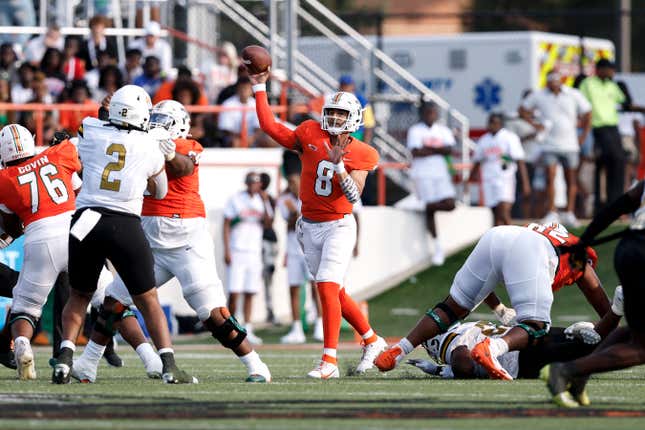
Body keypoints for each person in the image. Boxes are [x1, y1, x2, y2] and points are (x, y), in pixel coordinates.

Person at [71, 100, 271, 383]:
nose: (157, 123)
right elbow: (113, 134)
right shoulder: (139, 141)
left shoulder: (187, 145)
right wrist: (113, 111)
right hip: (150, 241)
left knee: (212, 315)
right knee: (113, 302)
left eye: (164, 119)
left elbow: (182, 168)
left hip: (186, 242)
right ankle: (88, 363)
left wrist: (168, 150)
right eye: (154, 117)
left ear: (180, 125)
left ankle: (256, 365)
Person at [50, 85, 195, 385]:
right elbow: (161, 189)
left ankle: (64, 359)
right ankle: (168, 364)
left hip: (86, 219)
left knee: (79, 295)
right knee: (147, 299)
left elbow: (89, 129)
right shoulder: (148, 144)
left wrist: (108, 113)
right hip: (124, 223)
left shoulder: (90, 131)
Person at [250, 69, 387, 379]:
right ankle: (372, 340)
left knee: (326, 284)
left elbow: (353, 195)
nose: (335, 117)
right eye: (332, 112)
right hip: (307, 225)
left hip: (339, 224)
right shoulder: (310, 133)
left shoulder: (363, 152)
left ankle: (329, 361)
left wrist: (339, 166)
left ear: (353, 117)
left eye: (341, 113)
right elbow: (270, 125)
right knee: (333, 292)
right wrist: (259, 87)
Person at [375, 222, 611, 380]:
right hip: (532, 248)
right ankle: (493, 348)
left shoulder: (541, 234)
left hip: (498, 234)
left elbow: (486, 283)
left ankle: (399, 349)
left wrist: (499, 309)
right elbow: (596, 293)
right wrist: (612, 316)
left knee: (450, 308)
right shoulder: (579, 256)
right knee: (537, 327)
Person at [544, 179, 645, 407]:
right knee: (642, 346)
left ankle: (581, 372)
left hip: (630, 249)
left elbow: (618, 206)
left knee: (635, 333)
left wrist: (583, 243)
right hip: (642, 255)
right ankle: (567, 370)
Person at [0, 124, 81, 380]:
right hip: (63, 234)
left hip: (39, 235)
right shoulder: (55, 156)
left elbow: (11, 225)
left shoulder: (6, 177)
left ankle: (5, 346)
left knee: (22, 292)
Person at [409, 298, 622, 380]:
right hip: (528, 333)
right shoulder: (467, 326)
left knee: (590, 351)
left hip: (520, 359)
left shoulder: (449, 342)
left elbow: (462, 361)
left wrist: (444, 371)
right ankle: (614, 312)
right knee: (601, 343)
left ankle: (617, 309)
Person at [520, 70, 591, 226]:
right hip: (549, 144)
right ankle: (552, 212)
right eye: (550, 80)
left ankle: (569, 212)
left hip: (570, 144)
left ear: (561, 81)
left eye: (555, 80)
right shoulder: (539, 95)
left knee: (570, 178)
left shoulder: (573, 94)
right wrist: (535, 125)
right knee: (550, 177)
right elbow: (523, 109)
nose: (553, 83)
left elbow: (587, 112)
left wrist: (584, 135)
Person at [223, 172, 273, 345]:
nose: (254, 185)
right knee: (234, 292)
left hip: (254, 251)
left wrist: (266, 201)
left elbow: (268, 223)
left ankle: (248, 328)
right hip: (237, 250)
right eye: (252, 182)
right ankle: (229, 328)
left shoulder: (262, 201)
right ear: (247, 183)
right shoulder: (236, 199)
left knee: (250, 291)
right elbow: (226, 224)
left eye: (257, 182)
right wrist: (227, 250)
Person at [406, 100, 457, 266]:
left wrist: (429, 150)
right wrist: (438, 150)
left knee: (450, 204)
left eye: (433, 112)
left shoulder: (442, 130)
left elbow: (450, 149)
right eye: (428, 112)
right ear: (423, 113)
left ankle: (420, 205)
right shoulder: (415, 130)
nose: (431, 115)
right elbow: (416, 152)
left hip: (441, 174)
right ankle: (437, 248)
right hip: (423, 174)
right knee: (431, 212)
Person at [277, 174, 323, 344]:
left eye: (295, 182)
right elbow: (289, 223)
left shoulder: (310, 195)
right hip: (293, 249)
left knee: (315, 287)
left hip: (309, 248)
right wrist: (294, 213)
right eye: (290, 182)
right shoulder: (284, 199)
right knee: (294, 288)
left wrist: (296, 211)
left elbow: (310, 220)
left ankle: (320, 325)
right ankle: (296, 328)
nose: (293, 186)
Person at [578, 59, 627, 213]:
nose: (612, 73)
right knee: (602, 164)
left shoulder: (612, 85)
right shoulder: (588, 84)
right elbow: (582, 106)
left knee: (619, 162)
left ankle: (615, 203)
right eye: (609, 69)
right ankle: (602, 205)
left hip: (613, 127)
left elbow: (624, 101)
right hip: (597, 128)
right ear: (600, 70)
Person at [470, 113, 530, 225]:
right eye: (490, 122)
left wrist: (525, 183)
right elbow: (477, 161)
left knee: (503, 209)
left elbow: (520, 161)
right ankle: (499, 237)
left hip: (505, 178)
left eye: (494, 122)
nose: (491, 125)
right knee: (494, 212)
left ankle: (512, 234)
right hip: (489, 179)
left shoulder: (509, 137)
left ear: (500, 124)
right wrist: (469, 180)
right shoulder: (484, 140)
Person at [218, 76, 260, 147]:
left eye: (247, 88)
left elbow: (259, 127)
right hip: (234, 137)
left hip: (253, 138)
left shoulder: (257, 104)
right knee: (235, 142)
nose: (244, 91)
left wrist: (252, 138)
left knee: (268, 140)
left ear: (251, 90)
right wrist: (242, 138)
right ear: (237, 89)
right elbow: (226, 129)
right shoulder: (228, 104)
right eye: (242, 88)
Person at [338, 75, 374, 144]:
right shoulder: (335, 100)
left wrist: (366, 143)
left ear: (353, 86)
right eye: (343, 85)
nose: (345, 88)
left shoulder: (362, 101)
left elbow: (369, 124)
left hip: (357, 135)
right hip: (339, 134)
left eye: (347, 85)